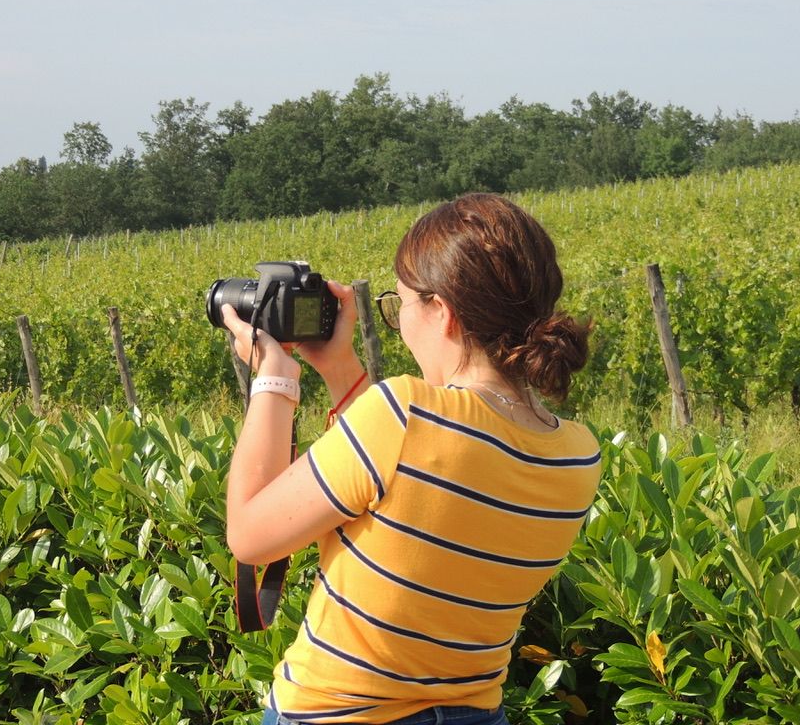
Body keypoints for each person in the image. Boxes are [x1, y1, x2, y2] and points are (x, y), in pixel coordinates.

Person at [221, 192, 602, 725]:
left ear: (441, 312)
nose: (398, 321)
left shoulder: (404, 413)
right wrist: (341, 369)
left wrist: (273, 377)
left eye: (398, 303)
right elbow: (400, 491)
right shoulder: (578, 455)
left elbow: (249, 536)